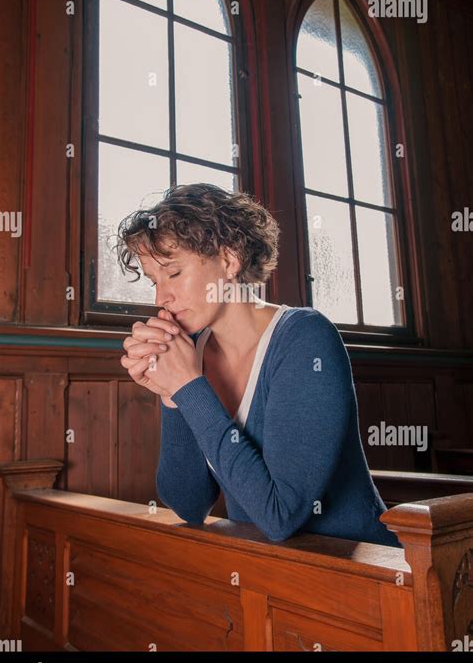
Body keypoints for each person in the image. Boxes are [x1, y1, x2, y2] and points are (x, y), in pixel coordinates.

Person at [118, 182, 401, 549]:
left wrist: (188, 386)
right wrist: (173, 394)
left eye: (173, 274)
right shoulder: (191, 352)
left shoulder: (305, 338)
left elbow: (279, 516)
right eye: (153, 282)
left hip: (365, 576)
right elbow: (188, 506)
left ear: (229, 260)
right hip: (269, 578)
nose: (160, 297)